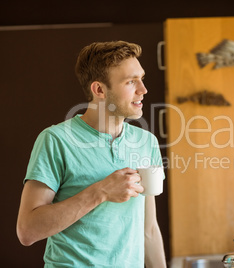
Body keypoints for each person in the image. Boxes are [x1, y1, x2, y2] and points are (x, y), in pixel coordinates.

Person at [16, 41, 167, 267]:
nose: (143, 89)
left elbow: (149, 230)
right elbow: (27, 231)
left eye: (141, 78)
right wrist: (101, 191)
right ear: (99, 90)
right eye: (130, 82)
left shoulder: (146, 142)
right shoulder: (56, 140)